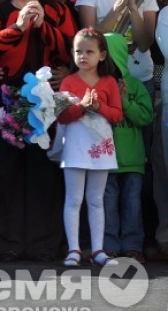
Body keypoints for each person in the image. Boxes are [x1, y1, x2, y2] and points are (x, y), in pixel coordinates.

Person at [0, 0, 76, 262]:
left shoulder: (58, 11)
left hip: (46, 107)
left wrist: (43, 26)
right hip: (3, 104)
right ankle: (8, 244)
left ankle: (43, 245)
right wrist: (18, 27)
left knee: (43, 176)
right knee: (5, 176)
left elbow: (71, 49)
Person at [57, 29, 123, 267]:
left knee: (96, 199)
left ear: (102, 55)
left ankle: (98, 250)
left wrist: (98, 106)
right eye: (78, 51)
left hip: (100, 147)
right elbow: (62, 117)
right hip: (75, 145)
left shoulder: (109, 82)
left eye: (89, 51)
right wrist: (82, 107)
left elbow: (117, 115)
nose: (83, 56)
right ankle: (74, 249)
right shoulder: (68, 81)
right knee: (73, 199)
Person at [104, 32, 151, 263]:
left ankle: (133, 246)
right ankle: (109, 246)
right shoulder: (98, 85)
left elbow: (145, 117)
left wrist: (124, 101)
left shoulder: (135, 84)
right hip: (106, 161)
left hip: (132, 159)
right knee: (108, 205)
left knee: (133, 204)